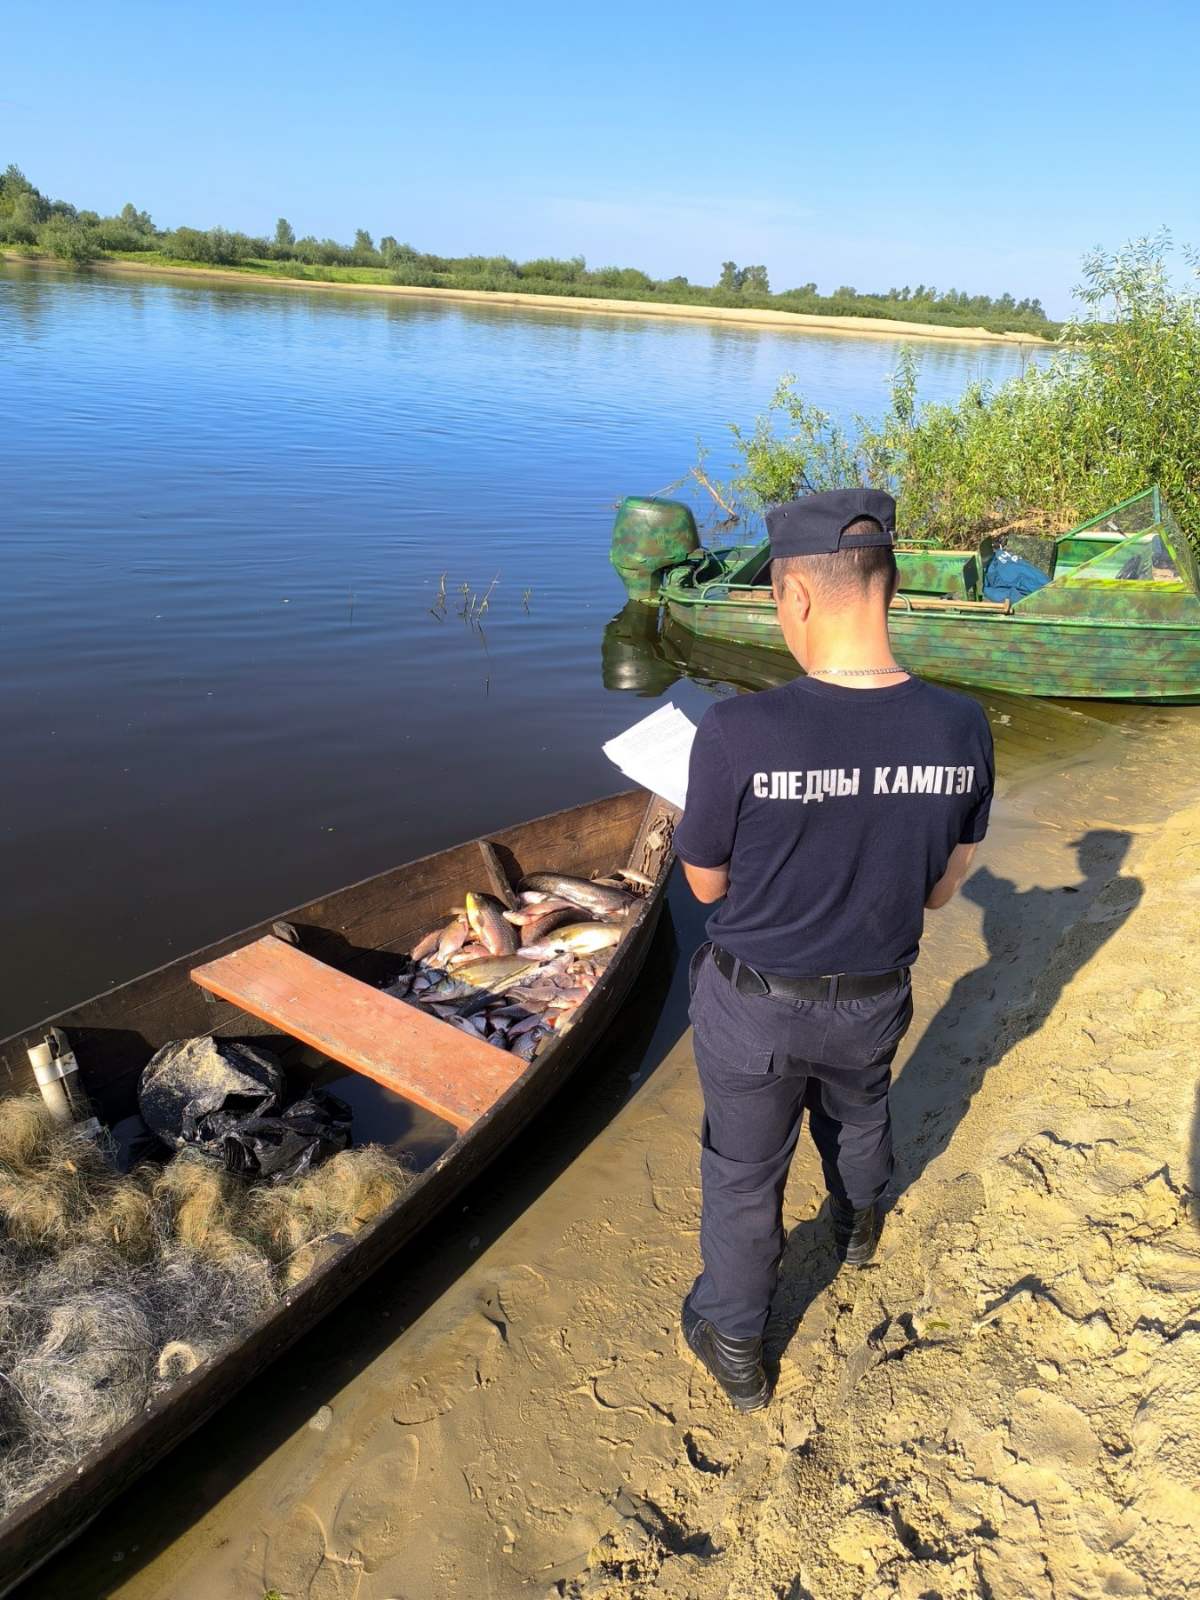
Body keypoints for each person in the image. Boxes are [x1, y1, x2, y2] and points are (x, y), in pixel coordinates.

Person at [673, 487, 994, 1412]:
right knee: (858, 1114)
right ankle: (855, 1229)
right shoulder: (960, 727)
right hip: (872, 996)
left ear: (797, 598)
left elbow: (704, 886)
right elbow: (941, 886)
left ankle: (735, 1337)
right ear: (886, 586)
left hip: (754, 1006)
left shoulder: (738, 732)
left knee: (743, 1169)